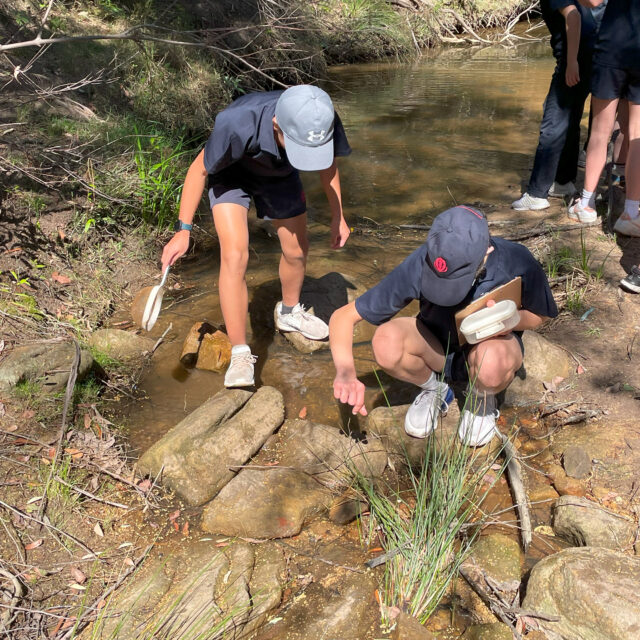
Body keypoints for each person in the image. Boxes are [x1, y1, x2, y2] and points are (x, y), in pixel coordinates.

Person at [161, 85, 352, 387]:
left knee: (297, 250)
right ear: (277, 125)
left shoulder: (320, 116)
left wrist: (338, 216)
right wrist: (182, 231)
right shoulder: (235, 122)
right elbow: (198, 170)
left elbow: (328, 164)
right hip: (231, 173)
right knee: (236, 253)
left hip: (279, 176)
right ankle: (240, 352)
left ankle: (289, 313)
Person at [330, 206, 558, 446]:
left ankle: (481, 399)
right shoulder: (421, 261)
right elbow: (342, 318)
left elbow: (540, 315)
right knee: (385, 341)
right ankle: (435, 389)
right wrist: (345, 373)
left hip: (488, 348)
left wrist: (508, 321)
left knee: (491, 363)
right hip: (435, 350)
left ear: (486, 251)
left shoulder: (517, 260)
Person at [512, 0, 607, 212]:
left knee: (553, 121)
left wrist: (571, 61)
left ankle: (536, 193)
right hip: (594, 54)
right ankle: (563, 181)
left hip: (576, 57)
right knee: (570, 117)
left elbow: (573, 16)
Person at [569, 0, 639, 232]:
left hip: (612, 47)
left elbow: (593, 1)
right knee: (637, 134)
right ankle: (631, 212)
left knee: (600, 131)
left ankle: (586, 204)